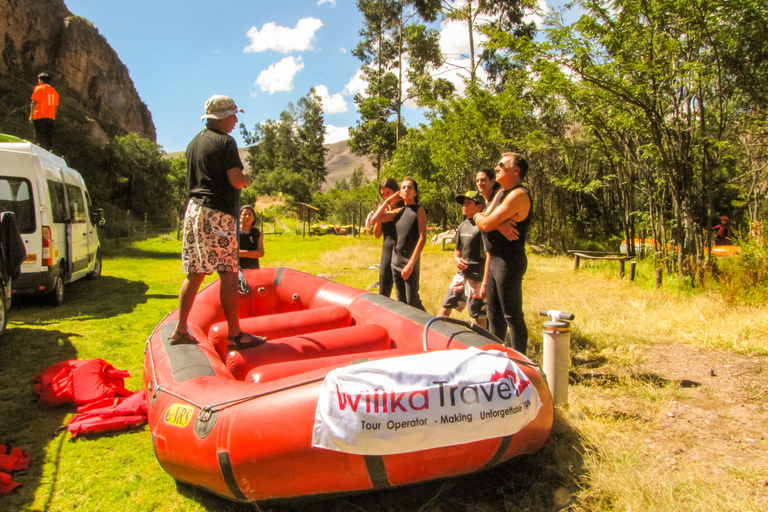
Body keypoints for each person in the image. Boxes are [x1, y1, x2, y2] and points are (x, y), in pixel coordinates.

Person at [171, 94, 265, 350]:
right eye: (233, 115)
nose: (235, 120)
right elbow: (236, 179)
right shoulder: (225, 142)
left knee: (196, 272)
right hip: (216, 213)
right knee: (230, 271)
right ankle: (235, 334)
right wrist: (247, 179)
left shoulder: (194, 143)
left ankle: (180, 330)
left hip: (194, 211)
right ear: (223, 117)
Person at [474, 153, 531, 354]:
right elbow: (481, 221)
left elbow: (486, 222)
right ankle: (497, 358)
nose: (496, 167)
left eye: (501, 164)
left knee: (512, 316)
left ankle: (520, 364)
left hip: (509, 262)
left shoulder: (519, 195)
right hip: (494, 260)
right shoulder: (500, 194)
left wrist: (489, 221)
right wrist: (496, 224)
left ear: (515, 170)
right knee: (493, 315)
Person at [369, 177, 427, 310]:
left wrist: (411, 263)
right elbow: (375, 220)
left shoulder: (418, 210)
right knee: (400, 299)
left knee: (412, 300)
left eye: (409, 187)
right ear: (399, 192)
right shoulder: (397, 212)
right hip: (394, 259)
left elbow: (422, 238)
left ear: (415, 192)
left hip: (408, 259)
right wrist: (387, 201)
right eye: (403, 187)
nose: (406, 190)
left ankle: (429, 326)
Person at [437, 190, 487, 328]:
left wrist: (485, 282)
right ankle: (433, 329)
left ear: (479, 206)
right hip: (461, 274)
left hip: (477, 276)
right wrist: (456, 259)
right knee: (448, 302)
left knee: (477, 312)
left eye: (468, 203)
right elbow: (457, 251)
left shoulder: (483, 226)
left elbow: (488, 254)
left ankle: (485, 341)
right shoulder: (462, 226)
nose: (464, 205)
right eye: (463, 203)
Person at [370, 178, 401, 297]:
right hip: (387, 251)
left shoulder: (404, 207)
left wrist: (383, 213)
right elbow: (377, 235)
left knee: (402, 292)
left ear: (396, 192)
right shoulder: (383, 208)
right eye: (383, 195)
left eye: (388, 193)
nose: (385, 197)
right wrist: (381, 213)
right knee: (383, 290)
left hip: (401, 251)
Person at [29, 72, 59, 151]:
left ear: (41, 81)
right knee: (48, 138)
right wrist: (53, 117)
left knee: (40, 137)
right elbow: (56, 107)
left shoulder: (39, 88)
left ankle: (40, 153)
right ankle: (49, 153)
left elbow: (34, 102)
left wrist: (31, 115)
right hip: (50, 117)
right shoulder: (55, 92)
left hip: (39, 115)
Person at [238, 205, 264, 270]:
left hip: (254, 269)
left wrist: (241, 253)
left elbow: (261, 253)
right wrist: (253, 253)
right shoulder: (235, 232)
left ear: (253, 218)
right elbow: (232, 253)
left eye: (250, 214)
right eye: (244, 214)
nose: (247, 216)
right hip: (238, 269)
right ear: (240, 217)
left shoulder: (257, 233)